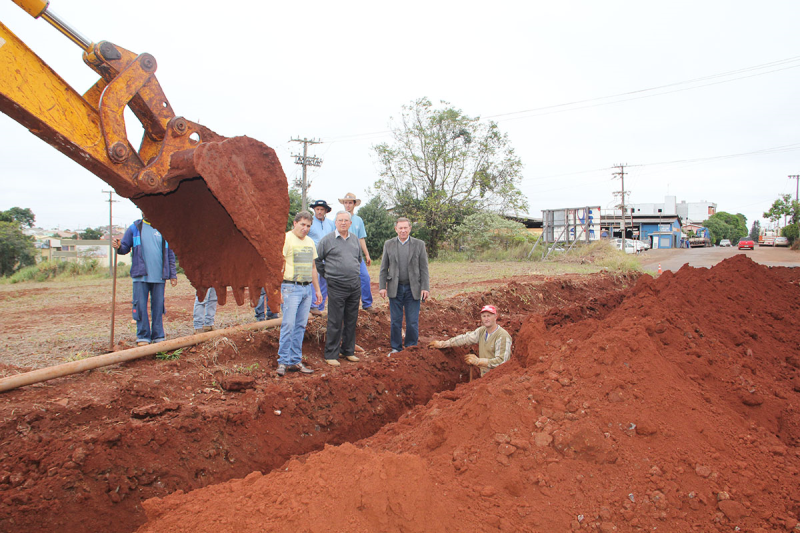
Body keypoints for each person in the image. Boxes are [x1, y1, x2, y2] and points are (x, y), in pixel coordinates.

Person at [113, 217, 177, 346]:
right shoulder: (134, 228)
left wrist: (173, 274)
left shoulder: (164, 229)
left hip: (159, 276)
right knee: (140, 306)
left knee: (158, 307)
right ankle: (143, 336)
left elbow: (170, 253)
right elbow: (125, 247)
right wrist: (118, 246)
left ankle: (158, 335)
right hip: (140, 275)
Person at [276, 211, 323, 376]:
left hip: (306, 288)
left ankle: (295, 361)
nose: (305, 228)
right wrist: (277, 290)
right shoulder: (286, 239)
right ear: (295, 223)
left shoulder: (310, 242)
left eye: (308, 226)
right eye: (302, 224)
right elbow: (278, 265)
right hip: (290, 287)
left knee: (300, 326)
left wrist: (317, 290)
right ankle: (282, 362)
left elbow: (313, 268)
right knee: (288, 325)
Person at [315, 211, 362, 367]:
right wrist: (328, 275)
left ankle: (347, 351)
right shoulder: (327, 240)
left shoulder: (355, 240)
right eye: (340, 220)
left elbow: (358, 259)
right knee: (335, 320)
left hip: (354, 285)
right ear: (335, 222)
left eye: (346, 220)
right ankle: (331, 354)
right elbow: (318, 260)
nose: (343, 223)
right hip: (336, 285)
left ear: (350, 223)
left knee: (351, 319)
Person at [379, 217, 430, 354]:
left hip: (413, 288)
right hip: (394, 288)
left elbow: (424, 268)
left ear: (410, 229)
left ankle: (410, 347)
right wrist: (382, 286)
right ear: (396, 229)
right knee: (395, 321)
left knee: (412, 321)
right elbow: (384, 267)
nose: (403, 230)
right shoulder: (388, 244)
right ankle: (396, 348)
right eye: (400, 228)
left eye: (405, 228)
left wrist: (425, 287)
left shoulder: (419, 244)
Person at [428, 305, 512, 377]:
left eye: (489, 316)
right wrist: (443, 344)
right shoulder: (482, 331)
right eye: (484, 316)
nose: (486, 319)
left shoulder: (502, 336)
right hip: (486, 377)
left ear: (495, 317)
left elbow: (502, 361)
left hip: (500, 379)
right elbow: (465, 338)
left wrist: (478, 361)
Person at [339, 192, 376, 314]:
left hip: (357, 256)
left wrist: (367, 254)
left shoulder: (358, 220)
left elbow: (361, 238)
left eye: (350, 203)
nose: (348, 205)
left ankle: (367, 304)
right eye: (346, 203)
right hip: (342, 256)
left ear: (354, 204)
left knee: (364, 277)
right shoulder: (338, 218)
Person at [307, 199, 335, 316]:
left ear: (326, 211)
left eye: (321, 209)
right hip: (313, 257)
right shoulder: (310, 223)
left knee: (325, 282)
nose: (319, 211)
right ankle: (313, 305)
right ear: (314, 210)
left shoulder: (330, 224)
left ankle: (321, 305)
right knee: (315, 280)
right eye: (317, 209)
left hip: (327, 256)